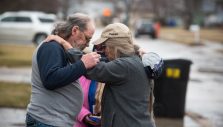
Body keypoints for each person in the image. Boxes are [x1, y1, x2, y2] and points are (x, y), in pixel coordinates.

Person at [46, 23, 157, 127]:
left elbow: (91, 68)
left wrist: (65, 44)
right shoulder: (136, 60)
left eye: (104, 46)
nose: (103, 51)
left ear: (114, 46)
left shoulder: (124, 66)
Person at [26, 13, 101, 127]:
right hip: (46, 121)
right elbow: (51, 79)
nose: (87, 45)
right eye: (87, 38)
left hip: (52, 121)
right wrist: (82, 64)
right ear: (75, 30)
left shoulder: (62, 46)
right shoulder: (51, 47)